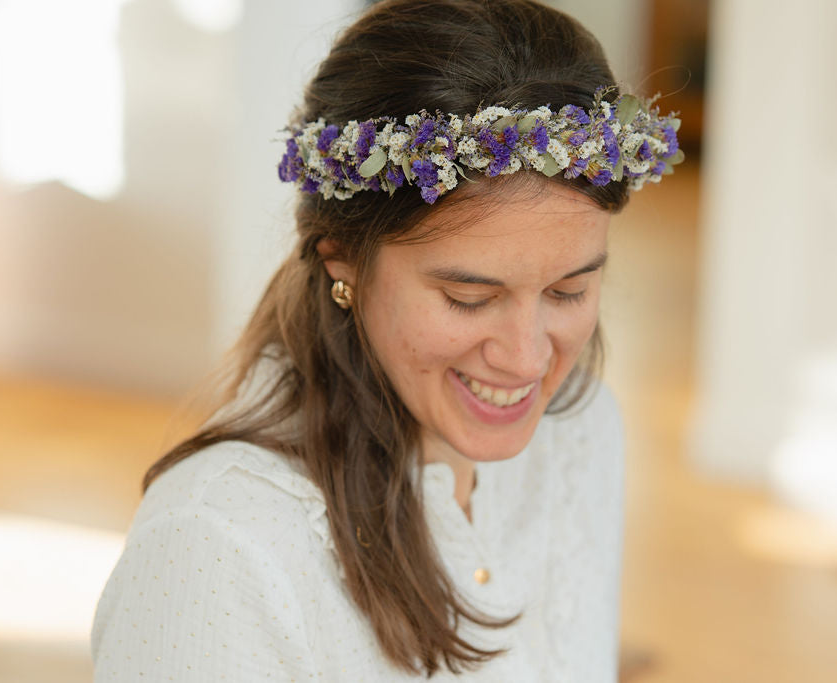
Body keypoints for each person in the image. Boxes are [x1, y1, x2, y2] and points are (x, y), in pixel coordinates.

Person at [90, 0, 682, 680]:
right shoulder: (216, 547)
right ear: (342, 258)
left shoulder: (582, 431)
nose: (527, 358)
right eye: (469, 298)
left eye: (568, 291)